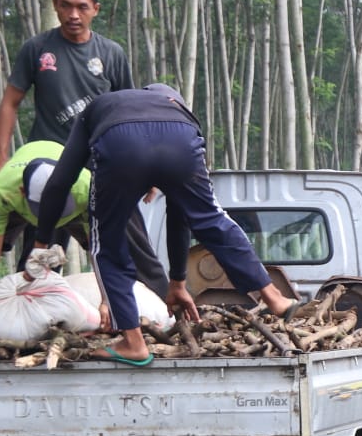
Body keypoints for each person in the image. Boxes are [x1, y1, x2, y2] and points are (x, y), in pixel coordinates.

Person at [31, 84, 298, 365]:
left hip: (120, 142)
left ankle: (133, 343)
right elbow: (181, 215)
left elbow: (59, 183)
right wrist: (177, 282)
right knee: (214, 221)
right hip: (180, 140)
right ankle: (274, 298)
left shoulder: (99, 107)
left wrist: (41, 242)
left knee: (106, 246)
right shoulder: (179, 112)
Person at [0, 0, 166, 300]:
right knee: (39, 254)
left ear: (95, 9)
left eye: (82, 6)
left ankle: (161, 311)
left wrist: (145, 167)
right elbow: (10, 102)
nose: (73, 14)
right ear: (55, 5)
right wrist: (1, 159)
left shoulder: (111, 53)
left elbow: (129, 113)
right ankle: (34, 315)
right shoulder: (37, 49)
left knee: (134, 250)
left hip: (102, 166)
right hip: (49, 170)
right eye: (66, 5)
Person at [0, 141, 91, 334]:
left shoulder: (86, 189)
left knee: (103, 248)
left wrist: (107, 303)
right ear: (23, 192)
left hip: (72, 204)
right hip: (17, 204)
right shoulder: (3, 191)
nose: (47, 217)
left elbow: (102, 250)